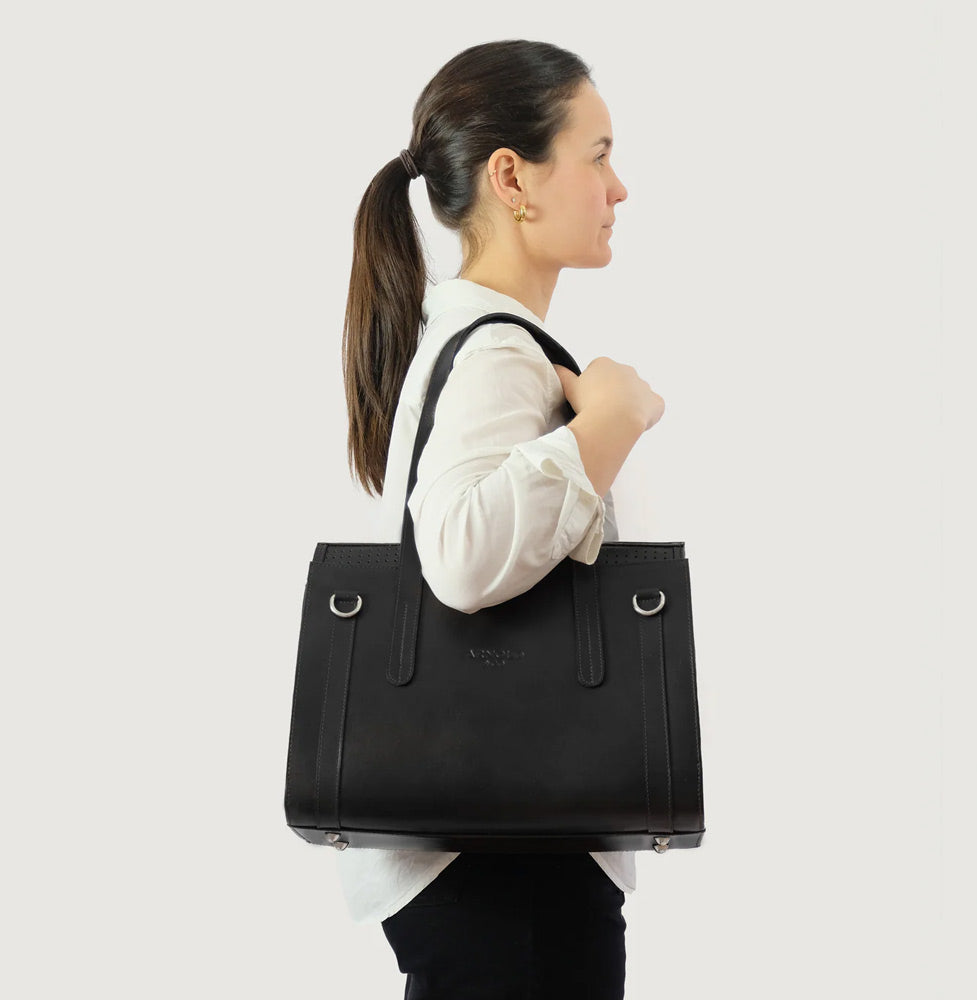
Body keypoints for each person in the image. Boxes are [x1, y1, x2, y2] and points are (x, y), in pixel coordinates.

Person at [338, 39, 664, 1000]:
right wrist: (611, 420)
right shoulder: (498, 353)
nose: (619, 188)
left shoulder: (473, 337)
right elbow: (464, 558)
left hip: (492, 851)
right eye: (597, 154)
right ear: (513, 177)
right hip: (504, 860)